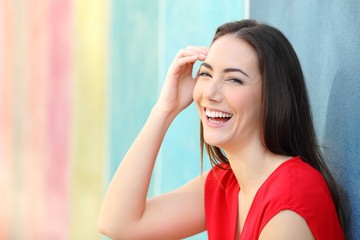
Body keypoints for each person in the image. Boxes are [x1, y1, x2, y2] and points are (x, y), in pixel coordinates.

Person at [98, 19, 347, 239]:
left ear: (273, 96)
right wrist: (165, 109)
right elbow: (118, 223)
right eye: (206, 74)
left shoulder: (292, 197)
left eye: (233, 79)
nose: (211, 93)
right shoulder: (227, 183)